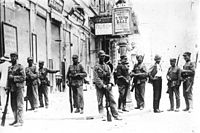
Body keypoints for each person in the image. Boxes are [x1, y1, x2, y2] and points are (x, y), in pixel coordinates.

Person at [93, 50, 122, 120]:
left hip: (108, 85)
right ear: (98, 57)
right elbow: (96, 78)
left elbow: (111, 75)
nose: (102, 58)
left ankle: (115, 115)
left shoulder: (107, 66)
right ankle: (102, 115)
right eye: (101, 56)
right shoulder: (96, 67)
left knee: (112, 100)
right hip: (100, 87)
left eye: (103, 56)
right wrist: (103, 85)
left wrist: (110, 84)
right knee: (100, 101)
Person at [7, 52, 25, 127]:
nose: (13, 58)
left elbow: (23, 77)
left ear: (17, 58)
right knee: (13, 105)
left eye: (14, 56)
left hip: (19, 88)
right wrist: (8, 86)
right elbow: (8, 79)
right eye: (11, 57)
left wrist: (14, 78)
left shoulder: (20, 67)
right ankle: (15, 119)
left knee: (19, 104)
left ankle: (20, 121)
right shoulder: (10, 68)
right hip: (12, 88)